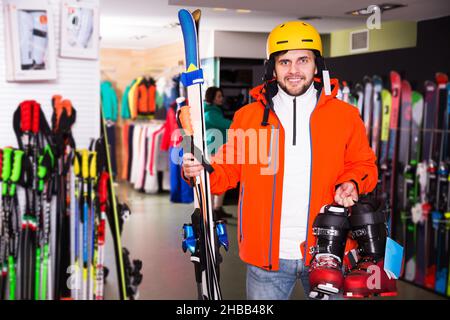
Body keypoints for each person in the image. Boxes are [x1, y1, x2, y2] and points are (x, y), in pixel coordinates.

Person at [182, 21, 380, 300]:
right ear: (272, 68)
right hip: (266, 258)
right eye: (284, 61)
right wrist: (199, 171)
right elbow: (226, 172)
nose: (294, 70)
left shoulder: (344, 116)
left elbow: (365, 166)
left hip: (328, 253)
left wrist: (351, 182)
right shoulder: (250, 117)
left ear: (316, 65)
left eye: (303, 60)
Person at [203, 87, 233, 220]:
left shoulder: (211, 112)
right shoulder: (211, 114)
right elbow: (230, 124)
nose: (221, 99)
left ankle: (216, 209)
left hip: (216, 150)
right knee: (220, 180)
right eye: (219, 96)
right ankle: (214, 211)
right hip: (216, 151)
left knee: (219, 180)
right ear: (212, 97)